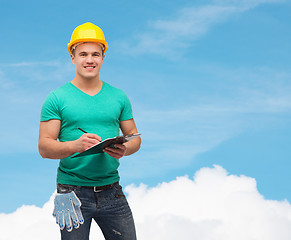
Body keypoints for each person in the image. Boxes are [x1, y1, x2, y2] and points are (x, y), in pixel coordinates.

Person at [38, 22, 141, 240]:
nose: (90, 60)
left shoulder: (119, 96)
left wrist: (125, 149)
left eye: (96, 54)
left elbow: (134, 136)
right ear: (72, 57)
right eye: (83, 54)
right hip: (72, 193)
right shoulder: (57, 98)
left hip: (112, 190)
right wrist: (76, 145)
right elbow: (45, 147)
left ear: (103, 57)